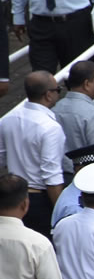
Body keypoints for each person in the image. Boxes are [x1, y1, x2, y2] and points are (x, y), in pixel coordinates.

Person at [0, 72, 65, 237]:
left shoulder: (8, 119)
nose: (59, 93)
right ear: (48, 94)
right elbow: (52, 175)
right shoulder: (50, 127)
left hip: (12, 197)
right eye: (58, 89)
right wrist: (61, 213)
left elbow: (1, 158)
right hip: (39, 201)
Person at [52, 62, 94, 178]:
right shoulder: (93, 114)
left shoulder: (54, 109)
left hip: (57, 179)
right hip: (86, 179)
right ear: (87, 84)